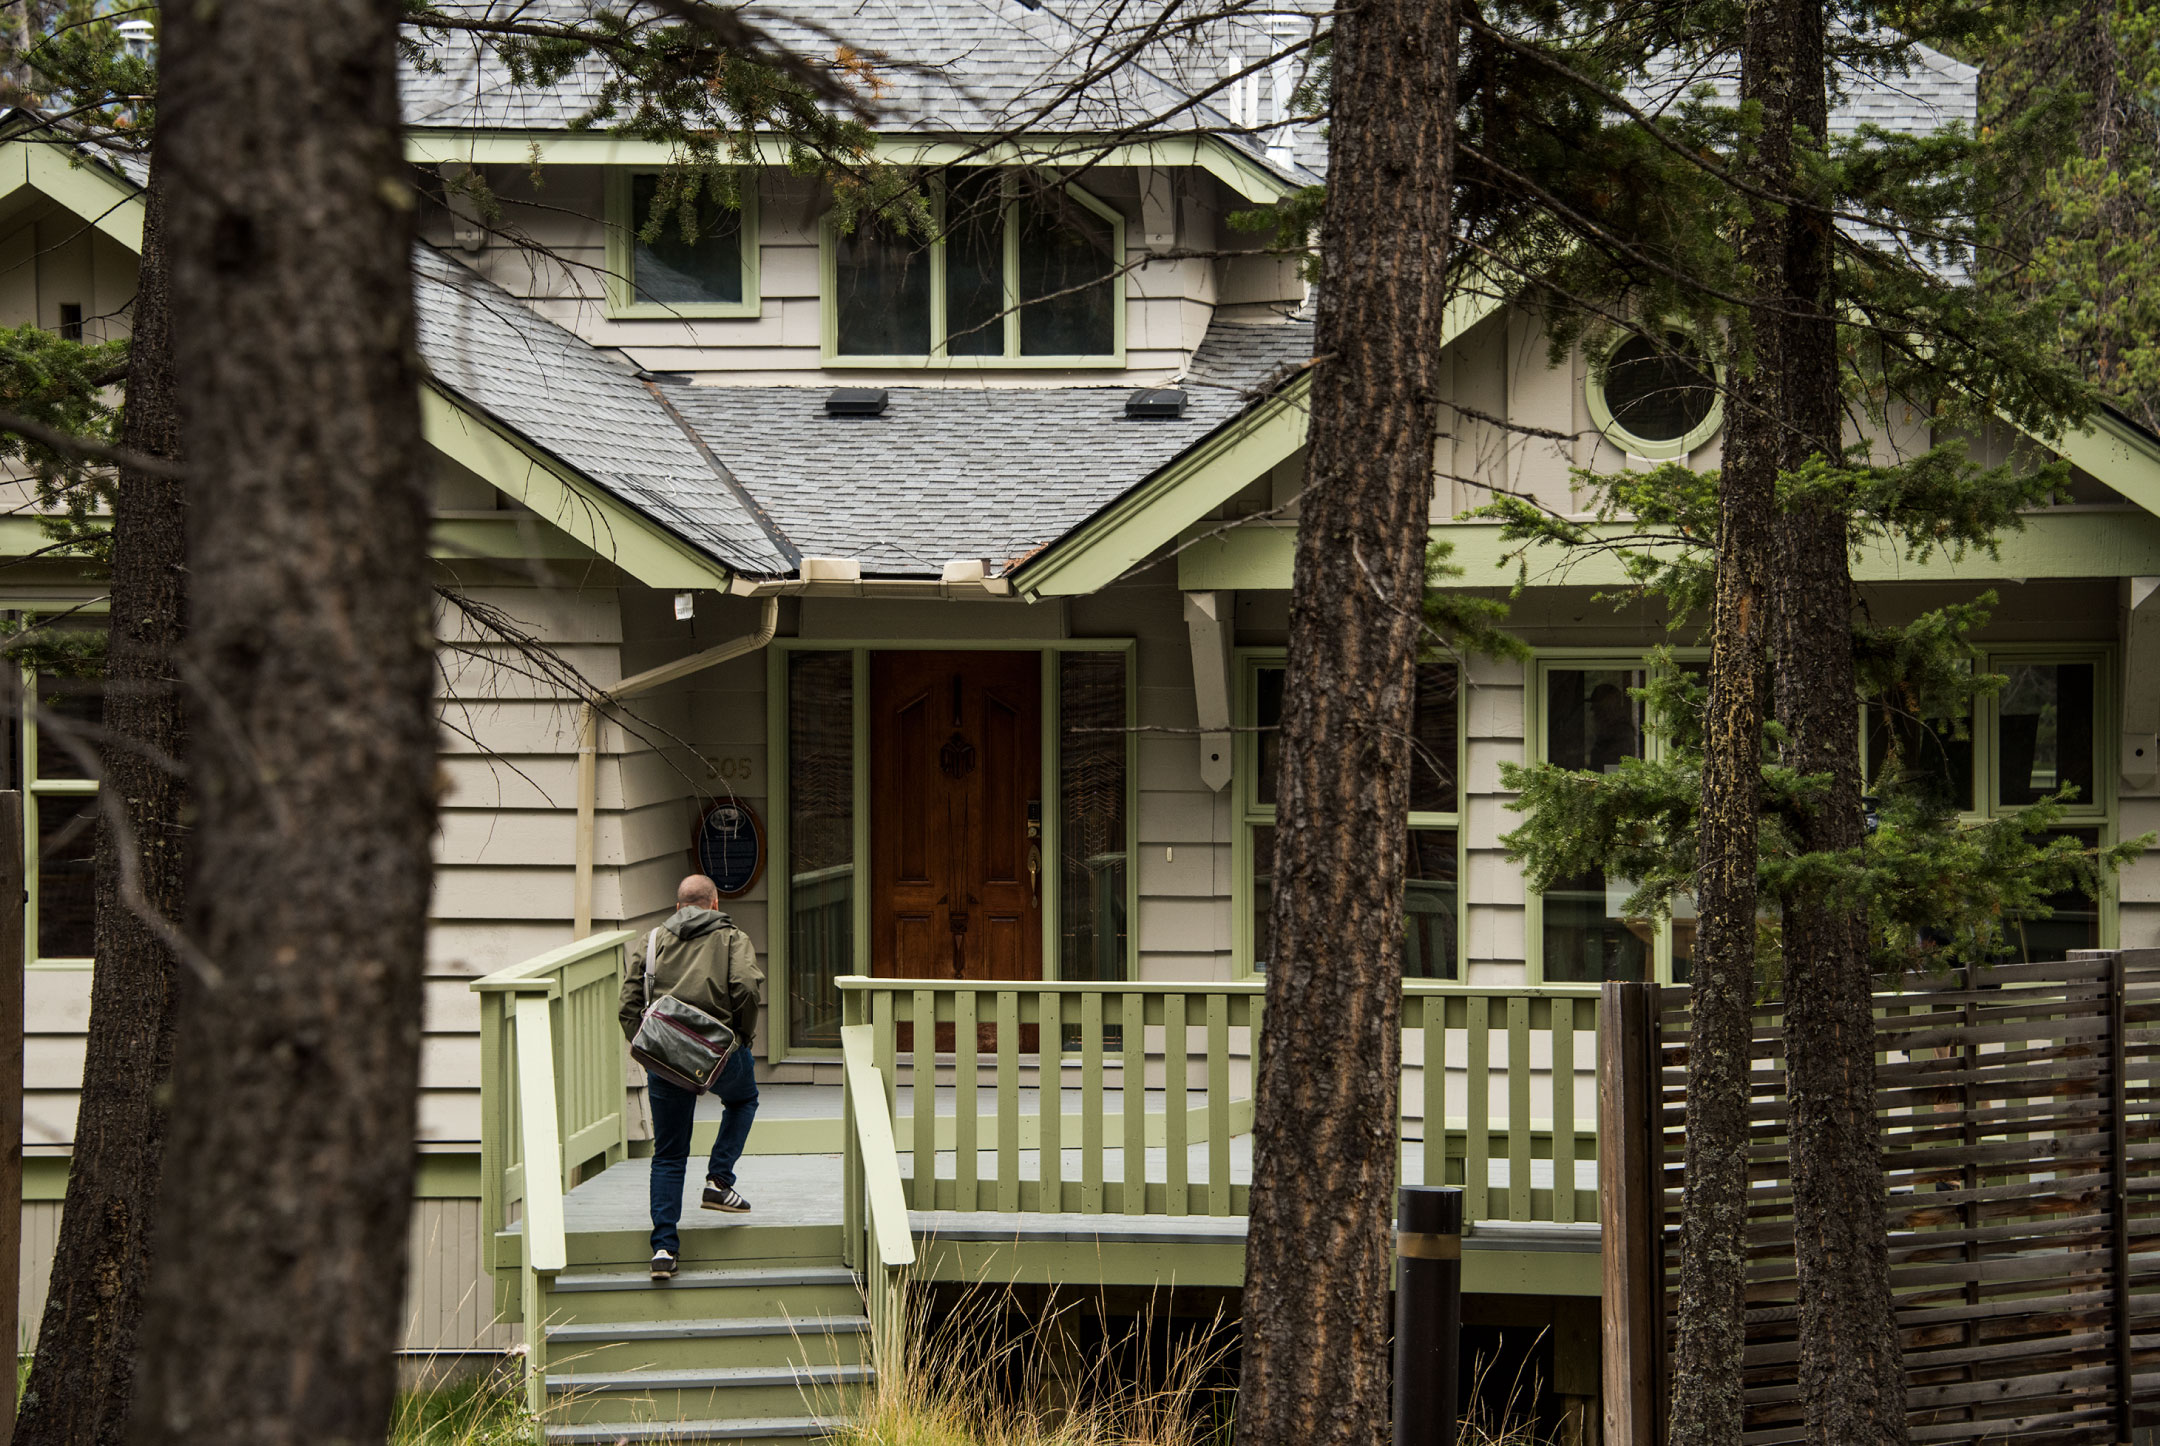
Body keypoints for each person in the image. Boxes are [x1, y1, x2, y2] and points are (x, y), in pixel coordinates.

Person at [619, 873, 763, 1280]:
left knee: (668, 1153)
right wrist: (742, 1038)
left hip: (665, 1058)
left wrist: (648, 1047)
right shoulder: (732, 939)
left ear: (679, 906)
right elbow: (747, 988)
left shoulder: (652, 941)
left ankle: (664, 1248)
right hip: (719, 1053)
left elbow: (628, 1003)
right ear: (714, 904)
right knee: (743, 1099)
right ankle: (719, 1180)